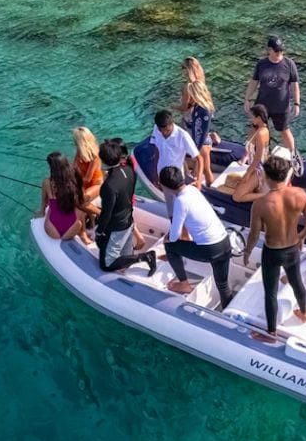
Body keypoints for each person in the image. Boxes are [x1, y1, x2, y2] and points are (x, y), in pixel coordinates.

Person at [242, 156, 306, 341]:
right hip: (293, 248)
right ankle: (303, 312)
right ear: (286, 175)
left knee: (271, 292)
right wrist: (301, 236)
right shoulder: (300, 194)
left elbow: (253, 234)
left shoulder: (260, 204)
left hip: (272, 252)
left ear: (267, 177)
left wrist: (247, 251)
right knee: (296, 282)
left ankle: (271, 333)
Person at [159, 166, 234, 309]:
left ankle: (184, 284)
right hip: (224, 243)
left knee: (170, 246)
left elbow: (174, 236)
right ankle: (228, 313)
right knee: (223, 285)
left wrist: (167, 238)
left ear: (165, 186)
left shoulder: (180, 201)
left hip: (210, 250)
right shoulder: (192, 190)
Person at [243, 35, 303, 174]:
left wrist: (297, 103)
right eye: (276, 51)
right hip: (262, 106)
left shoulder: (289, 64)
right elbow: (254, 82)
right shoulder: (261, 64)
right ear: (269, 50)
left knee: (284, 130)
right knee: (255, 130)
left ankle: (293, 155)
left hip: (281, 107)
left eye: (281, 51)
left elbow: (295, 85)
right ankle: (248, 155)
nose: (279, 54)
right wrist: (247, 99)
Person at [95, 140, 157, 274]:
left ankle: (144, 257)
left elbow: (107, 213)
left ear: (103, 160)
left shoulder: (109, 185)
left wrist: (99, 231)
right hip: (128, 220)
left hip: (117, 227)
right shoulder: (129, 170)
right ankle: (129, 263)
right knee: (125, 254)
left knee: (107, 264)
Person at [150, 110, 203, 219]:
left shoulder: (183, 136)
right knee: (171, 209)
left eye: (167, 130)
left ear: (172, 124)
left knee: (182, 208)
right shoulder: (157, 129)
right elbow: (156, 150)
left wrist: (198, 181)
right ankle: (174, 228)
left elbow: (199, 158)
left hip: (176, 178)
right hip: (162, 176)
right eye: (161, 130)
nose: (164, 133)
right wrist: (155, 173)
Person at [39, 152, 91, 244]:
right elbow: (81, 198)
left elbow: (44, 202)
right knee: (81, 211)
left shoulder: (46, 182)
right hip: (72, 229)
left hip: (52, 231)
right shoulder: (75, 177)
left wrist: (42, 211)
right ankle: (83, 234)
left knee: (51, 209)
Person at [232, 104, 271, 204]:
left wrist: (248, 173)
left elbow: (258, 158)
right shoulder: (257, 130)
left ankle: (268, 195)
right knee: (238, 185)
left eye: (252, 116)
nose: (250, 119)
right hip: (255, 167)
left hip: (258, 170)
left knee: (237, 196)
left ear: (258, 117)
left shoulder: (261, 133)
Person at [185, 80, 217, 186]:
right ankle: (208, 187)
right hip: (200, 142)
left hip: (202, 144)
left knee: (206, 170)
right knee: (205, 169)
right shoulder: (199, 106)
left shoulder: (203, 110)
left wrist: (196, 150)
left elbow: (202, 131)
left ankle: (211, 191)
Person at [72, 126, 104, 205]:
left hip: (95, 184)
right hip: (83, 183)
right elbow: (74, 168)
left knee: (80, 201)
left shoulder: (94, 156)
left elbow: (88, 178)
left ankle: (97, 214)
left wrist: (72, 182)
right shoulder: (79, 152)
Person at [177, 56, 206, 129]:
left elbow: (184, 108)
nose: (182, 70)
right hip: (199, 118)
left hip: (189, 120)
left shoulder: (189, 87)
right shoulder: (201, 83)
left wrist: (172, 107)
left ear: (188, 70)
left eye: (183, 67)